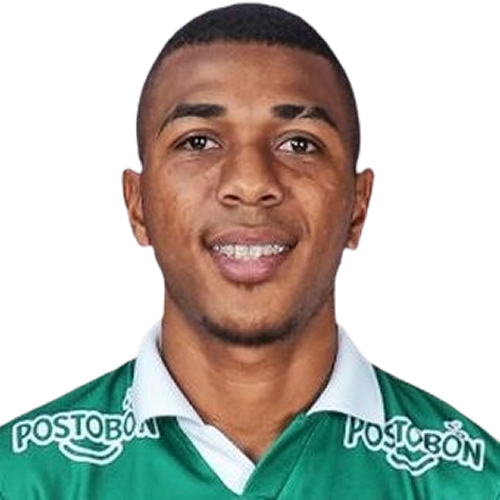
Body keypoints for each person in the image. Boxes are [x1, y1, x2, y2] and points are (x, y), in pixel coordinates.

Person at [1, 2, 498, 498]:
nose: (250, 183)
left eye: (299, 144)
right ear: (137, 207)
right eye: (198, 142)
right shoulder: (22, 478)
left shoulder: (474, 482)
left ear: (358, 206)